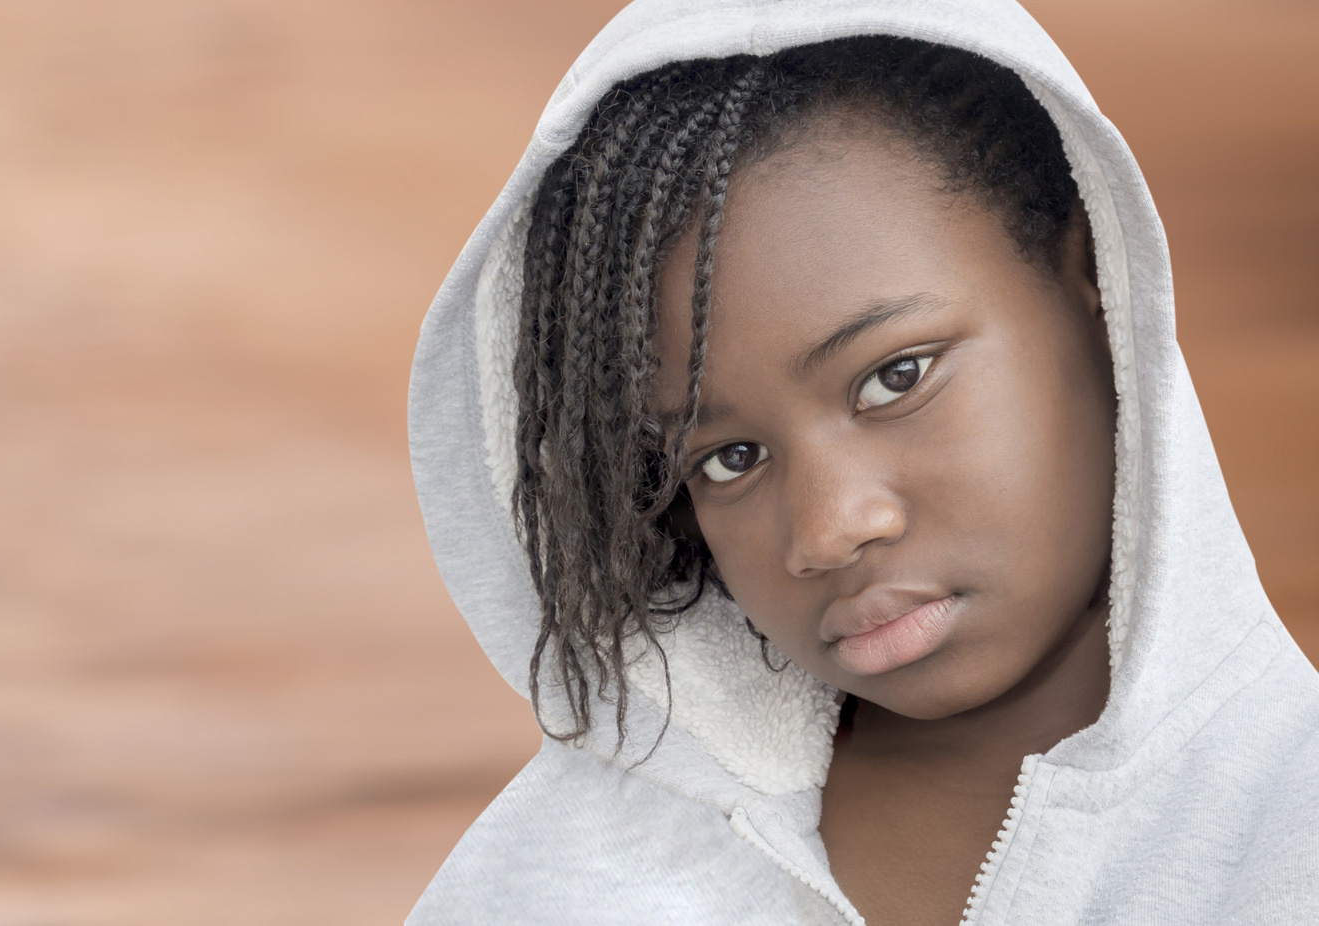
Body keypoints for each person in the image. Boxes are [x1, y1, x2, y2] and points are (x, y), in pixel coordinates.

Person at [405, 1, 1319, 923]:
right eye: (729, 458)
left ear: (1092, 277)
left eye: (897, 378)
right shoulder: (546, 886)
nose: (828, 530)